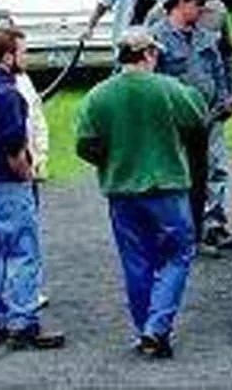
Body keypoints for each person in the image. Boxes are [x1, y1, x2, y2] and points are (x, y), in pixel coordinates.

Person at [74, 29, 208, 359]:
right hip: (167, 187)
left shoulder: (97, 96)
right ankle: (157, 327)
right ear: (148, 54)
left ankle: (144, 328)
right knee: (177, 254)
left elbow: (85, 145)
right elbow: (198, 115)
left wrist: (110, 161)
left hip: (121, 190)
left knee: (136, 261)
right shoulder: (169, 88)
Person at [0, 29, 64, 351]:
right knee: (22, 251)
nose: (26, 58)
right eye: (22, 52)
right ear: (8, 56)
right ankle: (23, 322)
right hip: (6, 183)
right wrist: (26, 174)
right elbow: (13, 147)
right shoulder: (8, 94)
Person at [148, 0, 232, 251]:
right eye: (198, 5)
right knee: (176, 178)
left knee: (211, 171)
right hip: (174, 123)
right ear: (182, 2)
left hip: (209, 117)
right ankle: (174, 232)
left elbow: (218, 67)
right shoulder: (157, 38)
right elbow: (151, 80)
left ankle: (205, 229)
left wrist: (225, 100)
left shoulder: (204, 35)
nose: (202, 12)